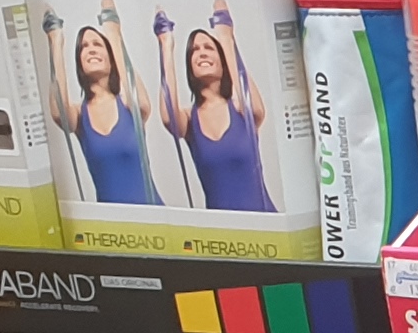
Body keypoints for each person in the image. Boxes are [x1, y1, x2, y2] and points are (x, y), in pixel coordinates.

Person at [158, 11, 277, 215]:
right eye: (195, 50)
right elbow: (169, 116)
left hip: (264, 225)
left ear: (223, 62)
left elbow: (257, 108)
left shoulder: (241, 110)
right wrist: (166, 45)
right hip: (221, 230)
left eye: (209, 48)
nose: (202, 53)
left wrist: (226, 38)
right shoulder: (189, 120)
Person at [53, 12, 158, 206]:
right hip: (109, 221)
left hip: (151, 216)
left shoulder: (128, 106)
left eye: (97, 44)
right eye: (84, 47)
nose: (91, 50)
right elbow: (59, 112)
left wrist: (113, 34)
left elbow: (143, 103)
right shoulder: (79, 115)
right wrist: (56, 41)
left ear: (111, 59)